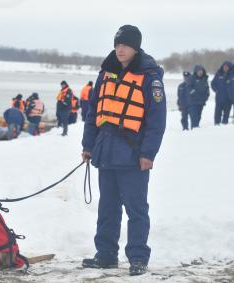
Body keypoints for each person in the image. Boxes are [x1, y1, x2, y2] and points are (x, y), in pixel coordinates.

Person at [81, 25, 166, 276]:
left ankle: (138, 257)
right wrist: (88, 145)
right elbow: (93, 113)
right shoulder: (105, 73)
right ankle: (106, 255)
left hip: (133, 156)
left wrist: (148, 154)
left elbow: (156, 121)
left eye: (125, 45)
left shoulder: (150, 78)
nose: (120, 49)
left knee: (136, 209)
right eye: (117, 44)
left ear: (135, 47)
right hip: (105, 153)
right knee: (107, 207)